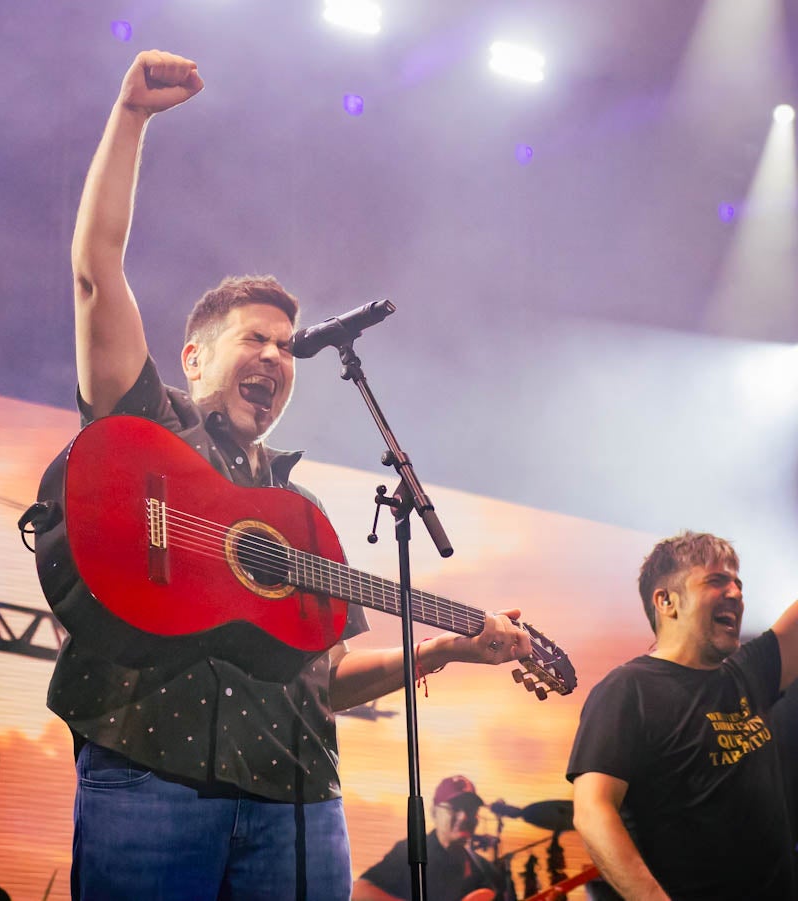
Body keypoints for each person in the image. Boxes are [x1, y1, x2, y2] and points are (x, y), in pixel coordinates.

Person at [48, 48, 533, 900]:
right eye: (254, 339)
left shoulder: (297, 512)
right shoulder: (145, 430)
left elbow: (324, 677)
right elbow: (96, 272)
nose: (276, 354)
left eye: (286, 345)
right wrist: (129, 120)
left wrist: (449, 646)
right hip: (154, 780)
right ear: (194, 356)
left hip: (300, 800)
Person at [567, 530, 798, 899]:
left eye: (738, 583)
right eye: (717, 580)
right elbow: (593, 812)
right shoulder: (628, 689)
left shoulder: (749, 672)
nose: (737, 593)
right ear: (667, 601)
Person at [352, 775, 504, 901]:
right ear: (434, 813)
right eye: (455, 808)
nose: (464, 817)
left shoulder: (485, 870)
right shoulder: (410, 851)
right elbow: (358, 891)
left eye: (470, 810)